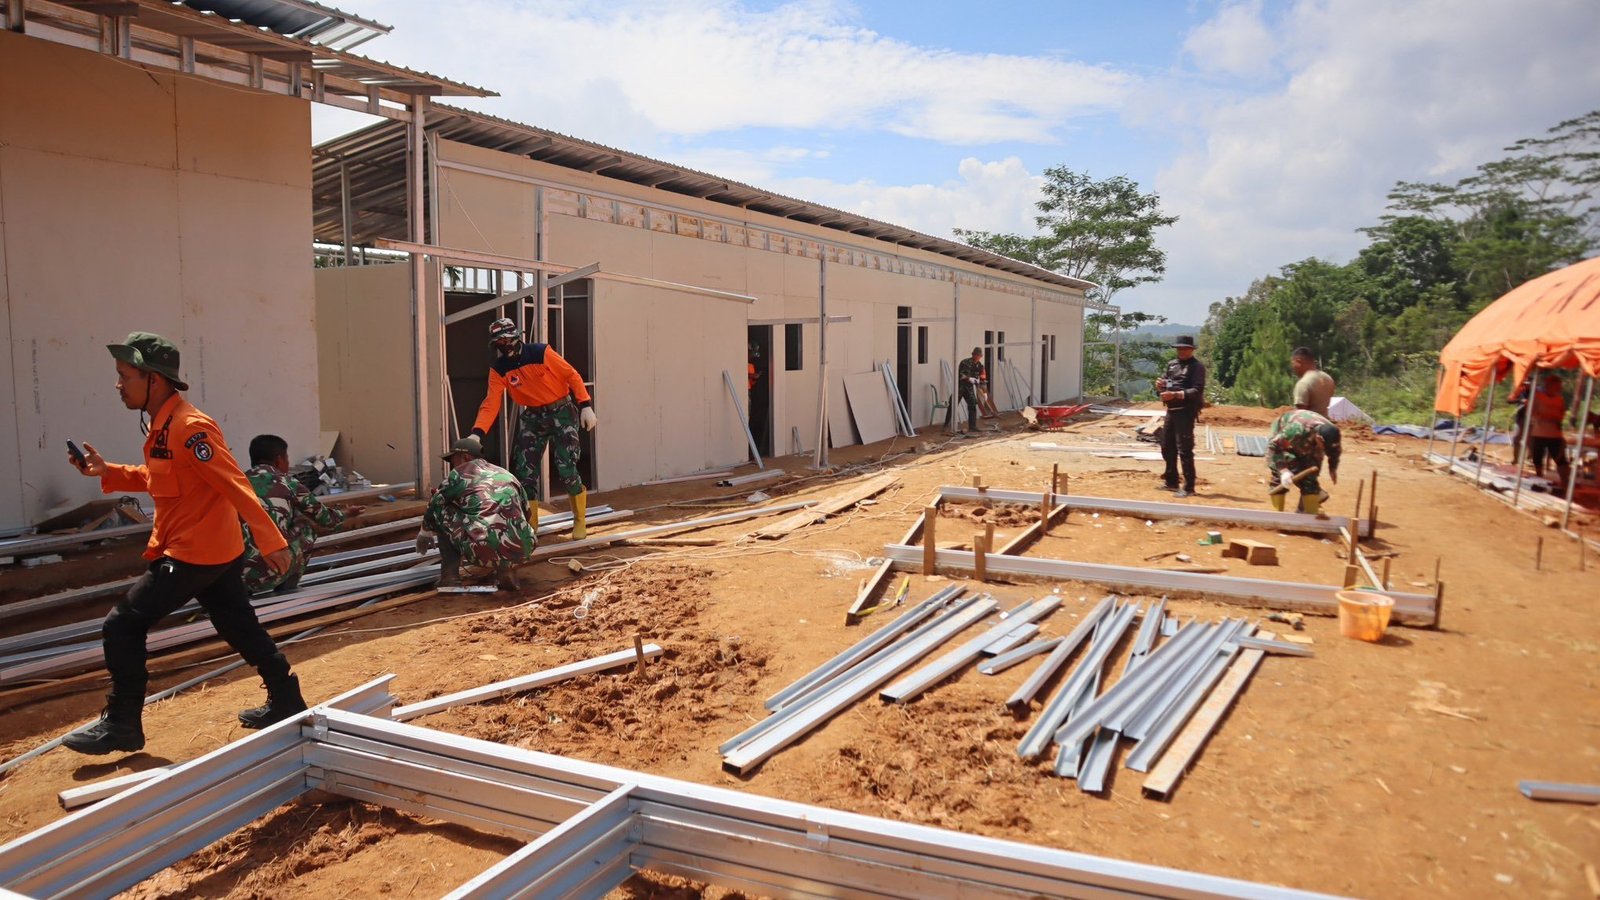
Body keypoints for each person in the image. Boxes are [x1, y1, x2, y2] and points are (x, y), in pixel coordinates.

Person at [63, 332, 307, 755]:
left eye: (125, 376)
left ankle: (122, 724)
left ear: (154, 380)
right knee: (237, 625)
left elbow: (235, 484)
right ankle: (287, 699)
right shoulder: (163, 426)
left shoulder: (191, 427)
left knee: (122, 624)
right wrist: (108, 471)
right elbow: (160, 477)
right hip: (211, 550)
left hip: (194, 552)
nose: (118, 385)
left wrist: (273, 542)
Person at [468, 318, 597, 538]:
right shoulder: (499, 369)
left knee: (566, 468)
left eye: (507, 339)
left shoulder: (540, 352)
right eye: (499, 342)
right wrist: (477, 433)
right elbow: (491, 403)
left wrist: (585, 405)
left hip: (561, 411)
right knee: (525, 472)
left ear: (517, 336)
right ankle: (531, 525)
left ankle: (580, 520)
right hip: (533, 417)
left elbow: (571, 375)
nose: (504, 345)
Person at [240, 434, 361, 595]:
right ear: (278, 460)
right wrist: (346, 513)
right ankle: (287, 584)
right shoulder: (288, 483)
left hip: (234, 576)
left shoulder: (236, 483)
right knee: (305, 527)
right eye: (287, 459)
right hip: (270, 571)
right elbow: (325, 518)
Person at [416, 437, 535, 591]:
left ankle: (449, 578)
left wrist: (424, 532)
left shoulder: (458, 475)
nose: (452, 466)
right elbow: (527, 512)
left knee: (443, 509)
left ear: (466, 457)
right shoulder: (506, 474)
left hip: (481, 549)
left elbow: (435, 504)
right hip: (523, 548)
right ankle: (507, 569)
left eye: (453, 460)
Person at [1156, 335, 1207, 498]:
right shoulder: (1172, 365)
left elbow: (1197, 390)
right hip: (1171, 410)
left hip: (1186, 411)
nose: (1182, 351)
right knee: (1167, 446)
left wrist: (1176, 394)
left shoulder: (1197, 367)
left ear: (1191, 350)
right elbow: (1165, 384)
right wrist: (1160, 386)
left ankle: (1189, 486)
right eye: (1179, 349)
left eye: (1185, 348)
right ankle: (1171, 480)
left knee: (1184, 449)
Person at [1266, 408, 1342, 514]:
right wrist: (1283, 471)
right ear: (1319, 439)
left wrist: (1332, 468)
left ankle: (1306, 512)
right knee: (1280, 473)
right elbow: (1273, 446)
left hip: (1309, 438)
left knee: (1310, 477)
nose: (1326, 451)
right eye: (1324, 448)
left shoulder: (1331, 433)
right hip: (1284, 430)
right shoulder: (1296, 429)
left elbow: (1335, 451)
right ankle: (1277, 515)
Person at [1528, 373, 1571, 485]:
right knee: (1538, 459)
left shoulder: (1559, 399)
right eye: (1556, 386)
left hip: (1555, 434)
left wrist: (1557, 418)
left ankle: (1566, 483)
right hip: (1539, 433)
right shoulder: (1537, 396)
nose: (1558, 388)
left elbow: (1562, 414)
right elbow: (1532, 412)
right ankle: (1539, 480)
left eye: (1559, 386)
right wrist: (1547, 416)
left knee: (1561, 459)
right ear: (1548, 385)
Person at [1290, 347, 1335, 418]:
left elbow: (1301, 413)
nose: (1293, 367)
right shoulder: (1328, 378)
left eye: (1293, 363)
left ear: (1299, 362)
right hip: (1325, 422)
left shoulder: (1303, 383)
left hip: (1311, 425)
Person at [957, 347, 987, 432]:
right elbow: (960, 375)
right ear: (972, 354)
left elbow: (983, 380)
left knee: (973, 405)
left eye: (978, 355)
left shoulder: (980, 366)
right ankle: (946, 426)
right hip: (960, 387)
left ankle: (972, 426)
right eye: (975, 355)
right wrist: (969, 378)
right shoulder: (965, 362)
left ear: (981, 356)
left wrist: (984, 393)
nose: (977, 357)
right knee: (953, 405)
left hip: (969, 389)